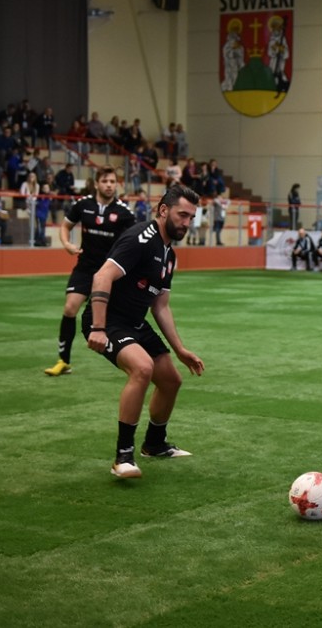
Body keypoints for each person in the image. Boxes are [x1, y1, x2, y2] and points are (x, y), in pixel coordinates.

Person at [84, 184, 205, 479]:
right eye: (182, 215)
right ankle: (123, 456)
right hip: (108, 320)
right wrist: (98, 328)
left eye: (191, 217)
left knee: (171, 380)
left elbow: (160, 305)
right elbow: (102, 276)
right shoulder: (141, 238)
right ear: (163, 210)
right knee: (142, 368)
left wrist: (179, 349)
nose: (187, 223)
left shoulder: (169, 255)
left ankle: (154, 444)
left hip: (135, 322)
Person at [44, 166, 136, 377]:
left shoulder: (124, 212)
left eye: (112, 182)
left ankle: (132, 360)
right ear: (96, 184)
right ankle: (63, 361)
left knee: (118, 318)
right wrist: (67, 244)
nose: (109, 185)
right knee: (70, 308)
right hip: (85, 267)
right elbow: (65, 226)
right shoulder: (83, 205)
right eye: (105, 181)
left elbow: (134, 240)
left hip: (109, 272)